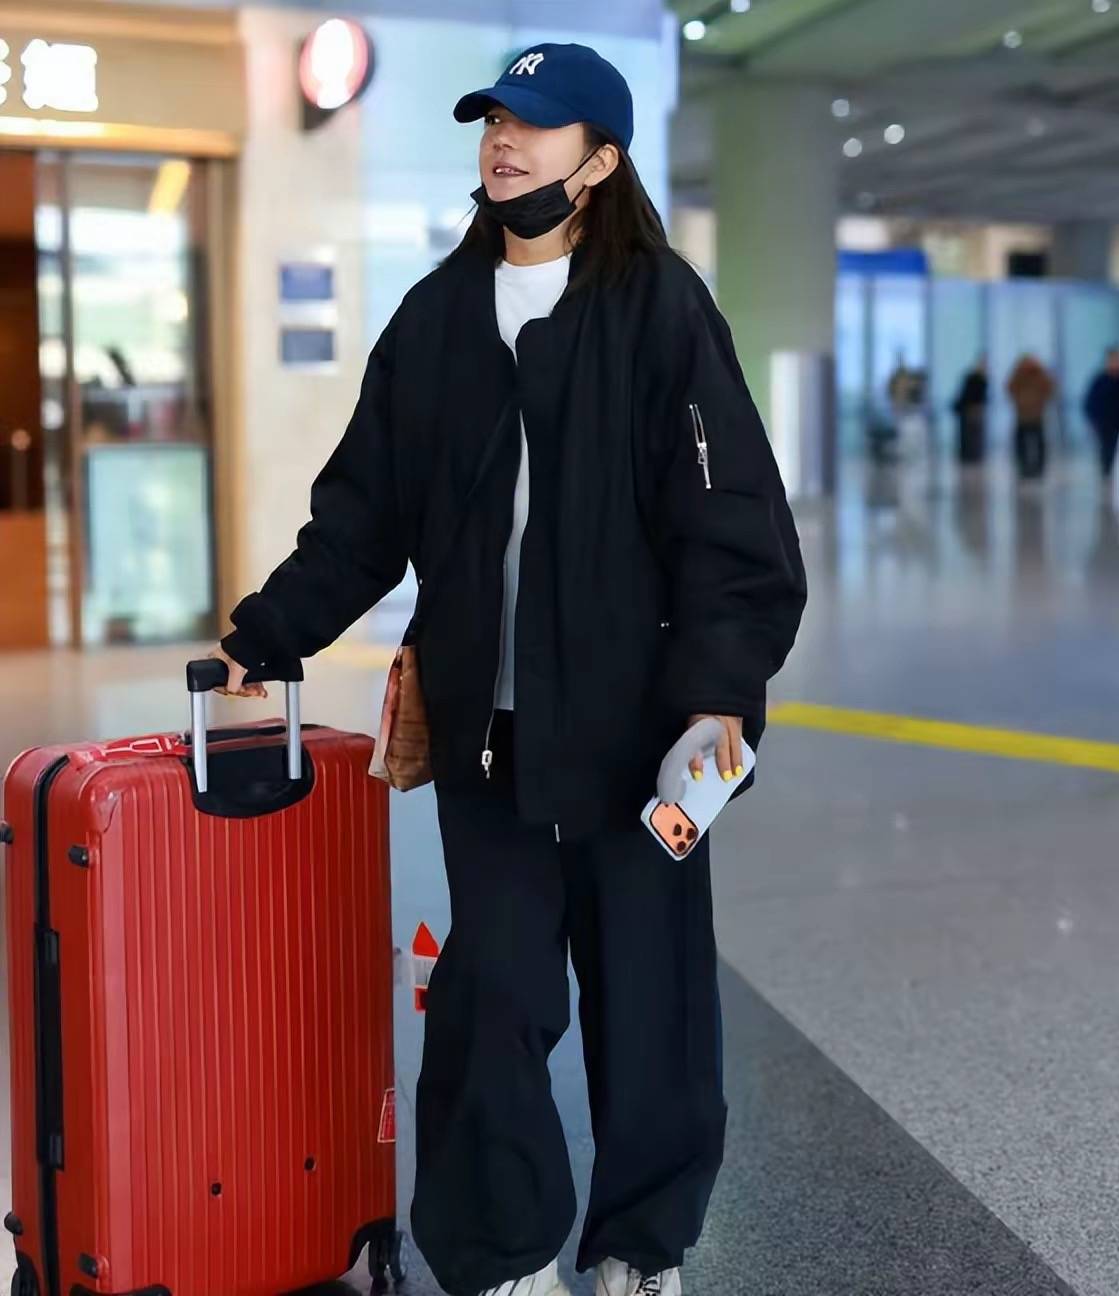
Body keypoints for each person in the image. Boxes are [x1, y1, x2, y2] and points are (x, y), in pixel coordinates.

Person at [203, 43, 806, 1296]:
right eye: (492, 119)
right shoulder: (436, 318)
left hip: (635, 732)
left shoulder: (658, 307)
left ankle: (639, 1247)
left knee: (650, 1007)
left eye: (533, 123)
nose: (502, 140)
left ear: (601, 160)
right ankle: (503, 1251)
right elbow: (362, 516)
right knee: (493, 993)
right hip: (494, 733)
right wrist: (265, 634)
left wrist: (718, 693)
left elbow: (731, 522)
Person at [1007, 354, 1055, 480]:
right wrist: (1019, 400)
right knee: (1021, 444)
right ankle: (1023, 467)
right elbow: (1009, 388)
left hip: (1037, 415)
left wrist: (1041, 402)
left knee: (1039, 443)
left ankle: (1038, 468)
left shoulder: (1040, 374)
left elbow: (1050, 389)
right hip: (1022, 416)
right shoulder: (1018, 375)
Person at [1083, 346, 1119, 483]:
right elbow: (1089, 403)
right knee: (1107, 450)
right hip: (1106, 424)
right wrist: (1095, 420)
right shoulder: (1100, 380)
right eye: (1113, 360)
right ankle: (1106, 474)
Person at [952, 355, 988, 465]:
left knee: (971, 434)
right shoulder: (977, 379)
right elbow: (970, 396)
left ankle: (971, 456)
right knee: (968, 434)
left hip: (969, 410)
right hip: (968, 409)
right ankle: (969, 457)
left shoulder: (978, 378)